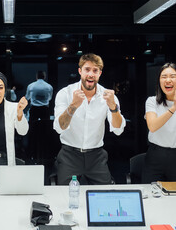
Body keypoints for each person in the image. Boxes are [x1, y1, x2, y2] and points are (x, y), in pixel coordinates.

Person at [53, 53, 126, 185]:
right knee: (64, 196)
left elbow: (118, 130)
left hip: (96, 157)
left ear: (100, 73)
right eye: (87, 69)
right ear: (80, 71)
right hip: (70, 155)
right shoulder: (65, 93)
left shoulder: (109, 96)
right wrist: (73, 105)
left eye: (95, 70)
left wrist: (113, 108)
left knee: (104, 197)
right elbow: (59, 127)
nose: (91, 74)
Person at [25, 71, 54, 162]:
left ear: (36, 76)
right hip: (44, 109)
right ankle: (46, 153)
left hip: (34, 109)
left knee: (32, 131)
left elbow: (27, 97)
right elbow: (49, 98)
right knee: (46, 131)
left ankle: (31, 154)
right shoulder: (49, 86)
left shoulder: (31, 86)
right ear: (44, 76)